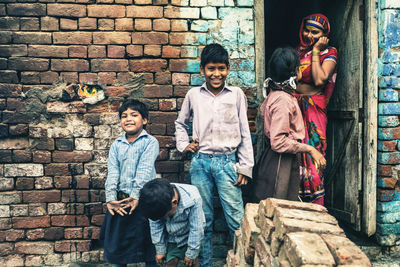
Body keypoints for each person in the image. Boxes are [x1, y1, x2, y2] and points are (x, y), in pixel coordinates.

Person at [175, 43, 254, 266]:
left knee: (236, 218)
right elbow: (180, 124)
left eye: (221, 68)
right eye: (211, 69)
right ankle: (205, 263)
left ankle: (242, 262)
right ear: (202, 70)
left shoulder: (236, 95)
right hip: (200, 163)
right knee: (202, 218)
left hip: (228, 164)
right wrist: (184, 145)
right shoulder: (193, 95)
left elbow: (245, 133)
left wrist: (245, 167)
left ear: (228, 69)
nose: (216, 73)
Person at [253, 47, 326, 203]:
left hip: (281, 159)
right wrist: (310, 149)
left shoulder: (278, 95)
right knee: (279, 206)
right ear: (296, 72)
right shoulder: (283, 101)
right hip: (280, 161)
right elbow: (278, 142)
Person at [99, 99, 159, 267]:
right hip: (122, 202)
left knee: (149, 246)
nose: (128, 119)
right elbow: (113, 173)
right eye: (124, 116)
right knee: (119, 247)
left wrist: (135, 196)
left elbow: (144, 171)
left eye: (134, 115)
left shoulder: (150, 142)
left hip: (145, 200)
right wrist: (111, 198)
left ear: (144, 120)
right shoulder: (117, 145)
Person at [296, 14, 338, 205]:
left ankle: (317, 209)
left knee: (314, 161)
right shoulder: (297, 52)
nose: (309, 35)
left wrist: (315, 51)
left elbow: (320, 79)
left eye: (315, 32)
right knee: (296, 158)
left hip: (314, 111)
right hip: (295, 108)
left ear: (324, 34)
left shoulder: (328, 53)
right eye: (307, 30)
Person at [139, 179, 205, 267]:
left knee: (192, 262)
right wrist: (160, 250)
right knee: (170, 263)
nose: (163, 218)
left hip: (191, 237)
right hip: (171, 238)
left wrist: (191, 253)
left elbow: (197, 229)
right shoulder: (153, 201)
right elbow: (156, 226)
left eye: (164, 216)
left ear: (174, 202)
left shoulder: (193, 198)